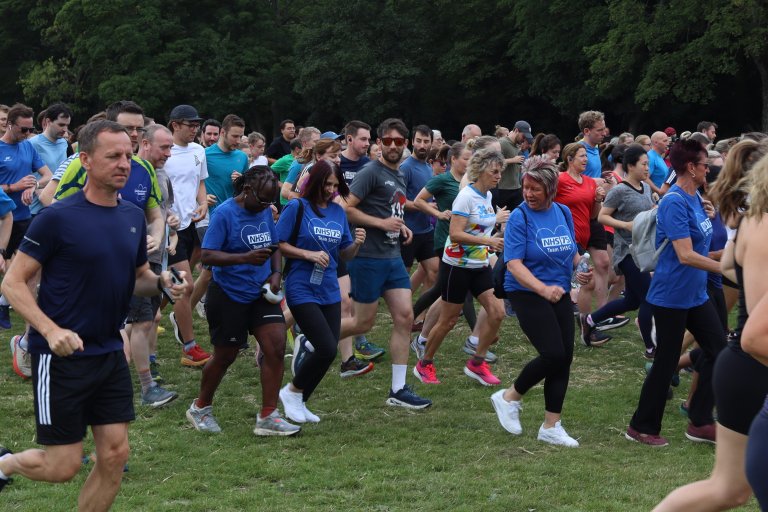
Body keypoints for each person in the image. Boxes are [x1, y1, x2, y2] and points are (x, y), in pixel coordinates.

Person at [0, 120, 186, 507]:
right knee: (62, 465)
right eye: (113, 156)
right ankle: (6, 464)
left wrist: (163, 281)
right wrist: (51, 331)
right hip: (61, 356)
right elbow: (13, 283)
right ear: (84, 160)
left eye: (128, 156)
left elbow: (139, 278)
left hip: (108, 352)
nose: (124, 164)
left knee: (115, 455)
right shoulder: (57, 218)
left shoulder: (132, 217)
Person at [652, 139, 768, 511]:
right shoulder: (761, 226)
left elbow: (732, 266)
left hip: (736, 357)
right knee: (728, 489)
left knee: (729, 490)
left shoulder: (751, 221)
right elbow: (756, 336)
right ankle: (652, 423)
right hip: (749, 363)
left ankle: (697, 417)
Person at [185, 166, 300, 436]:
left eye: (271, 202)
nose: (266, 207)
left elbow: (274, 246)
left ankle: (268, 416)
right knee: (226, 355)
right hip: (228, 295)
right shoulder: (225, 213)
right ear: (247, 189)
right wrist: (244, 258)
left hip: (260, 293)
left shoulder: (263, 209)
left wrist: (275, 273)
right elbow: (208, 257)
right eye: (262, 200)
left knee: (275, 346)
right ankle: (200, 407)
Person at [626, 139, 725, 446]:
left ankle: (699, 421)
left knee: (719, 352)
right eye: (705, 165)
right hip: (670, 296)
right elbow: (685, 254)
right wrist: (727, 269)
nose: (709, 169)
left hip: (695, 294)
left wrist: (712, 218)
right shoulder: (674, 201)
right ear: (690, 167)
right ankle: (641, 427)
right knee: (667, 362)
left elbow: (703, 243)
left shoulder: (697, 198)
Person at [491, 156, 591, 447]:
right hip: (526, 292)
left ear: (550, 189)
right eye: (526, 187)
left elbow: (570, 252)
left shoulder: (562, 211)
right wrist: (542, 289)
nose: (529, 194)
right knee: (553, 354)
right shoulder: (520, 218)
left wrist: (581, 268)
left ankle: (551, 425)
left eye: (536, 189)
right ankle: (509, 397)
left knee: (565, 359)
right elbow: (514, 264)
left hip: (557, 291)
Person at [340, 117, 432, 409]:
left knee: (405, 317)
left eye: (398, 142)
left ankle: (398, 389)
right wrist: (380, 223)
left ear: (404, 145)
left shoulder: (400, 174)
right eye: (387, 141)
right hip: (367, 257)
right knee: (362, 321)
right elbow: (346, 208)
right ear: (379, 143)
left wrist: (401, 225)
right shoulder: (370, 172)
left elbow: (393, 208)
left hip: (392, 256)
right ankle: (314, 337)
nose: (393, 146)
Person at [276, 160, 366, 423]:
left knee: (327, 350)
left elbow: (344, 253)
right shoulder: (298, 207)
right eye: (327, 184)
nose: (331, 190)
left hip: (328, 287)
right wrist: (307, 254)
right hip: (300, 285)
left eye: (336, 185)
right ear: (315, 182)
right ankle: (291, 392)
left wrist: (358, 244)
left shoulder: (338, 213)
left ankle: (299, 400)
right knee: (327, 348)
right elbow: (278, 243)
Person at [412, 149, 507, 385]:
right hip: (457, 266)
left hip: (479, 265)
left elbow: (480, 227)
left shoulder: (487, 197)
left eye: (500, 172)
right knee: (448, 320)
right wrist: (488, 241)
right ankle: (424, 364)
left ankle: (477, 363)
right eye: (495, 171)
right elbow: (455, 234)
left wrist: (496, 231)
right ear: (482, 170)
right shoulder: (466, 196)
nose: (498, 176)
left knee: (497, 312)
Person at [582, 144, 656, 356]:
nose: (647, 168)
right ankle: (651, 348)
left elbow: (646, 212)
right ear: (631, 166)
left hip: (643, 250)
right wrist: (625, 225)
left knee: (631, 301)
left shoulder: (647, 188)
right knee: (649, 298)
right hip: (626, 252)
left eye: (648, 164)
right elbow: (602, 216)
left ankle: (590, 320)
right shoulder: (619, 190)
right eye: (644, 164)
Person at [164, 104, 212, 367]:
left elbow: (200, 183)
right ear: (175, 125)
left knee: (173, 285)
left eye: (197, 125)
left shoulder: (198, 151)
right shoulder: (163, 151)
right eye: (190, 125)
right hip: (167, 232)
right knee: (185, 286)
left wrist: (203, 204)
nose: (195, 129)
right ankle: (189, 346)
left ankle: (163, 315)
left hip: (189, 225)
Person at [0, 104, 53, 330]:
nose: (27, 135)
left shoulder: (28, 147)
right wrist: (14, 187)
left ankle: (20, 317)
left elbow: (47, 175)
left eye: (30, 130)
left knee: (31, 268)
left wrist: (33, 186)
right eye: (23, 130)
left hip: (24, 217)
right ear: (10, 125)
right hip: (2, 218)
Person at [554, 143, 612, 346]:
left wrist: (597, 199)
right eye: (581, 156)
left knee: (578, 283)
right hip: (565, 238)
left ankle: (583, 327)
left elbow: (593, 215)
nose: (586, 159)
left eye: (586, 156)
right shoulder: (560, 180)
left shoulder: (589, 182)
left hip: (584, 236)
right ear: (569, 159)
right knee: (587, 282)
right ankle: (588, 331)